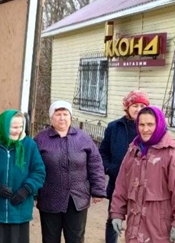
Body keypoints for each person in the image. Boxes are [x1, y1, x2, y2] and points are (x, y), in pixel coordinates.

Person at [110, 106, 175, 243]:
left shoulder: (173, 153)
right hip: (134, 228)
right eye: (141, 125)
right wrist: (117, 213)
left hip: (160, 229)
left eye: (150, 124)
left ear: (159, 124)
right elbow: (121, 186)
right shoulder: (133, 151)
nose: (145, 129)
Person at [34, 100, 106, 243]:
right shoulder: (41, 139)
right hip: (50, 197)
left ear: (71, 117)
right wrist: (34, 192)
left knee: (76, 238)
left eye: (65, 114)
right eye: (58, 114)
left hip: (77, 198)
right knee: (50, 238)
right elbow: (33, 167)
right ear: (51, 118)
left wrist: (98, 190)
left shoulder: (83, 138)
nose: (62, 118)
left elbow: (95, 164)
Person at [0, 109, 46, 243]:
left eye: (20, 127)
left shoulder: (29, 145)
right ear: (3, 125)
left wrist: (27, 189)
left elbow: (39, 171)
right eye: (13, 127)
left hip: (18, 211)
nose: (17, 131)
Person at [99, 91, 150, 243]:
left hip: (145, 184)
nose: (138, 109)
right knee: (114, 217)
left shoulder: (151, 128)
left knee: (142, 221)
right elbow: (103, 152)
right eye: (135, 105)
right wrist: (110, 168)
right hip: (118, 183)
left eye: (142, 105)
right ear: (127, 107)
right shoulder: (114, 127)